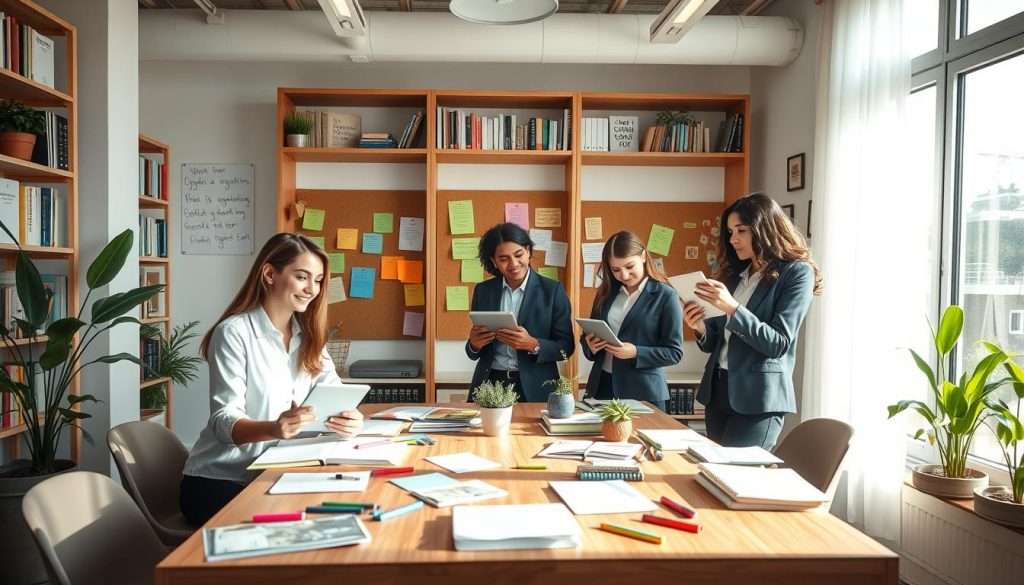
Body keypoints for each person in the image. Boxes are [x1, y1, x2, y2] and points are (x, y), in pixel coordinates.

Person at [180, 233, 364, 526]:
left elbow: (334, 395)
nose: (311, 289)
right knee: (315, 523)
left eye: (317, 281)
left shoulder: (309, 337)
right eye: (302, 277)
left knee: (347, 509)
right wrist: (274, 428)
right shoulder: (234, 333)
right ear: (269, 274)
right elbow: (222, 420)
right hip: (223, 482)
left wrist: (349, 418)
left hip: (280, 471)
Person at [683, 193, 821, 450]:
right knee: (713, 474)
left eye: (741, 231)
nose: (733, 239)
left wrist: (733, 308)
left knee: (735, 477)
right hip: (719, 392)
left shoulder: (797, 273)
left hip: (759, 398)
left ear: (764, 229)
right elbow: (715, 342)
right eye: (730, 231)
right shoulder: (735, 275)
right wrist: (700, 327)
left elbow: (778, 343)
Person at [466, 223, 574, 402]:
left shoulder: (552, 291)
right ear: (494, 261)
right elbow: (473, 352)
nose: (514, 264)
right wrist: (474, 344)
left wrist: (534, 344)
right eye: (503, 259)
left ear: (529, 251)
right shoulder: (483, 291)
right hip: (491, 383)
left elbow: (566, 347)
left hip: (536, 385)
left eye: (518, 255)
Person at [580, 231, 683, 410]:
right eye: (616, 270)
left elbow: (674, 352)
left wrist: (636, 352)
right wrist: (590, 345)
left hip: (644, 392)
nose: (624, 275)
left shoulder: (666, 295)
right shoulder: (606, 293)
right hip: (602, 386)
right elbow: (587, 337)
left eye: (629, 266)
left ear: (643, 256)